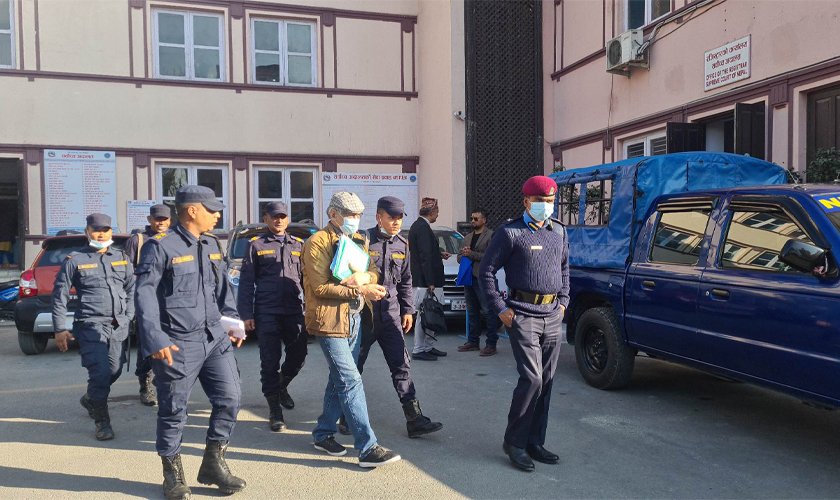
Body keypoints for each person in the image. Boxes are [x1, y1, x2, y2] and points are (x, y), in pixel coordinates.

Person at [135, 186, 246, 499]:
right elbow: (144, 294)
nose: (217, 215)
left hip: (215, 338)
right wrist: (155, 338)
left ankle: (213, 463)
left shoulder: (211, 243)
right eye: (212, 210)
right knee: (174, 410)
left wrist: (232, 321)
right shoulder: (160, 246)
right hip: (178, 342)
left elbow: (222, 288)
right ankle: (173, 475)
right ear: (192, 210)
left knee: (230, 398)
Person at [302, 191, 401, 468]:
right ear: (333, 214)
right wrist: (361, 289)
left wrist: (365, 277)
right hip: (329, 320)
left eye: (358, 215)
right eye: (349, 215)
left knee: (339, 379)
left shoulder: (357, 239)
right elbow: (320, 287)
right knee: (350, 380)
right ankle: (367, 447)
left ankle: (323, 434)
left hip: (354, 318)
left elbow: (373, 269)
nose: (355, 220)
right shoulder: (317, 242)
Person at [478, 175, 570, 473]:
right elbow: (486, 271)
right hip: (522, 314)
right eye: (540, 201)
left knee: (547, 381)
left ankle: (534, 441)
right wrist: (500, 308)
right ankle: (514, 443)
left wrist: (564, 302)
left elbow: (565, 268)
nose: (546, 206)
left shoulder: (559, 231)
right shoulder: (510, 233)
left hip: (552, 313)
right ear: (526, 202)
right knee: (532, 379)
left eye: (550, 201)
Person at [338, 196, 443, 438]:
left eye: (399, 218)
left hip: (391, 315)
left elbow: (406, 280)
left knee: (401, 365)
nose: (396, 222)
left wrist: (408, 310)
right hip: (363, 316)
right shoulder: (361, 240)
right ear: (379, 217)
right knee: (354, 367)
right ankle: (345, 416)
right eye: (391, 217)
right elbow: (346, 274)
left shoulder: (402, 245)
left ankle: (414, 419)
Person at [53, 213, 134, 441]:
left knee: (115, 370)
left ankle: (91, 399)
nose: (101, 234)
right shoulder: (75, 260)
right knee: (100, 373)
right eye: (96, 230)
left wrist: (129, 315)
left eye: (105, 230)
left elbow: (132, 289)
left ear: (111, 232)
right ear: (87, 232)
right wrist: (59, 328)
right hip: (90, 325)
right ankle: (102, 421)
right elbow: (60, 295)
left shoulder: (121, 257)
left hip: (118, 325)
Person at [237, 201, 307, 432]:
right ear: (266, 218)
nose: (279, 220)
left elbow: (307, 280)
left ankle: (281, 385)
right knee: (269, 361)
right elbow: (246, 282)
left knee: (299, 355)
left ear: (288, 219)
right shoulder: (256, 245)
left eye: (283, 216)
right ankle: (275, 409)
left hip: (294, 310)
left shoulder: (299, 245)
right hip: (267, 311)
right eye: (274, 216)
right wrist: (246, 313)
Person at [123, 203, 171, 407]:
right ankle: (146, 385)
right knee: (147, 344)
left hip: (168, 302)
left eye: (164, 219)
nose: (160, 223)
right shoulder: (139, 240)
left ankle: (165, 384)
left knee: (169, 343)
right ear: (149, 220)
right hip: (145, 299)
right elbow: (127, 273)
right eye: (157, 219)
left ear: (170, 220)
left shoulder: (174, 238)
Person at [408, 197, 449, 361]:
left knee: (433, 313)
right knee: (424, 315)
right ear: (432, 212)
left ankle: (428, 347)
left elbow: (426, 252)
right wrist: (430, 281)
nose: (437, 215)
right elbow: (424, 256)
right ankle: (419, 349)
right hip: (426, 282)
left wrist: (439, 254)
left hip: (426, 280)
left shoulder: (419, 226)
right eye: (437, 212)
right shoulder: (422, 227)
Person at [457, 208, 501, 356]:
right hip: (468, 277)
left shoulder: (491, 235)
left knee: (488, 311)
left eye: (476, 219)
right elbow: (459, 257)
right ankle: (473, 341)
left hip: (483, 278)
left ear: (484, 220)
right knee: (472, 311)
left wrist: (472, 254)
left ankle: (491, 343)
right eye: (471, 218)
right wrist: (464, 254)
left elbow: (492, 257)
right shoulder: (467, 237)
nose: (473, 221)